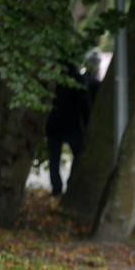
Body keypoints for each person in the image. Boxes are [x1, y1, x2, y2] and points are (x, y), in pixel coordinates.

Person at [45, 62, 90, 197]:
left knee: (54, 158)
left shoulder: (53, 80)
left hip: (54, 125)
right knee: (78, 153)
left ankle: (57, 188)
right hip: (71, 125)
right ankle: (71, 182)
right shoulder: (78, 80)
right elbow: (84, 104)